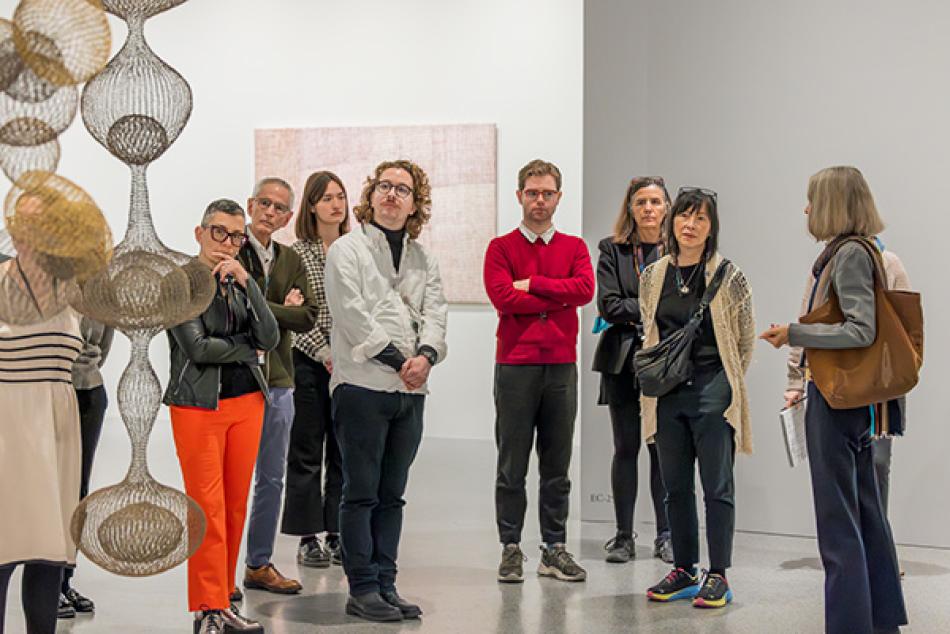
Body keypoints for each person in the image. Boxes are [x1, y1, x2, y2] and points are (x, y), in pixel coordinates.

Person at [760, 166, 907, 634]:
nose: (806, 209)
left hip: (837, 403)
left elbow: (860, 329)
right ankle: (880, 621)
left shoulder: (846, 255)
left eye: (811, 199)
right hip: (857, 407)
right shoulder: (862, 252)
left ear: (831, 204)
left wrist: (794, 334)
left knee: (839, 525)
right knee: (866, 517)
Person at [325, 160, 447, 622]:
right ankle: (362, 588)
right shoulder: (347, 249)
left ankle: (387, 584)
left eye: (404, 189)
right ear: (371, 195)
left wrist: (427, 357)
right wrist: (402, 362)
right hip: (362, 388)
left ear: (416, 204)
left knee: (393, 494)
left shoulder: (423, 258)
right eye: (385, 186)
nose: (393, 195)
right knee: (361, 492)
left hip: (410, 395)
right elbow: (352, 315)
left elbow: (436, 313)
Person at [163, 199, 279, 634]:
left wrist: (249, 285)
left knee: (233, 508)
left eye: (236, 236)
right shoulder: (180, 282)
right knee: (207, 509)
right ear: (199, 232)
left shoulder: (235, 279)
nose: (227, 243)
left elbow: (271, 333)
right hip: (198, 407)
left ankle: (224, 598)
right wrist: (248, 350)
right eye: (219, 232)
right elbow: (197, 348)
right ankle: (208, 607)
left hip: (247, 403)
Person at [639, 188, 755, 609]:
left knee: (717, 486)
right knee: (674, 487)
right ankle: (685, 569)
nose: (690, 225)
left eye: (700, 219)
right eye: (684, 217)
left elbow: (742, 339)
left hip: (713, 391)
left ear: (712, 227)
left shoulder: (729, 275)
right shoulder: (654, 275)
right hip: (668, 394)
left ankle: (718, 574)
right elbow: (650, 329)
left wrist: (727, 384)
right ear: (672, 222)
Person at [0, 190, 110, 634]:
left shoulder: (75, 288)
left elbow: (97, 346)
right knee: (4, 547)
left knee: (49, 552)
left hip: (58, 425)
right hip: (8, 428)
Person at [483, 159, 595, 584]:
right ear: (519, 196)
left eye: (547, 193)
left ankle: (554, 547)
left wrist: (533, 285)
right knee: (512, 463)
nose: (539, 200)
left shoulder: (575, 247)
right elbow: (502, 298)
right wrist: (555, 296)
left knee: (557, 463)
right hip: (515, 366)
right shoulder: (500, 248)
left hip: (561, 367)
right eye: (532, 192)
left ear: (559, 197)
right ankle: (511, 546)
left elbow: (584, 291)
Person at [784, 237, 912, 518]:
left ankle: (876, 550)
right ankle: (853, 548)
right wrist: (795, 380)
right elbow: (807, 318)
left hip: (878, 385)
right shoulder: (824, 265)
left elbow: (905, 329)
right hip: (836, 381)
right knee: (839, 466)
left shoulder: (889, 263)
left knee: (876, 465)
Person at [237, 178, 318, 598]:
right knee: (229, 480)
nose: (270, 211)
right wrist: (277, 309)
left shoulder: (290, 259)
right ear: (251, 204)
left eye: (279, 207)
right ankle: (217, 573)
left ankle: (258, 563)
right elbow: (231, 308)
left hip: (280, 380)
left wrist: (263, 310)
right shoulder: (232, 246)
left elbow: (307, 316)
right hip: (235, 379)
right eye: (264, 203)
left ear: (288, 217)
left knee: (271, 477)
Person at [592, 176, 673, 564]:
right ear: (630, 208)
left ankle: (666, 535)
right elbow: (608, 306)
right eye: (641, 202)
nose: (648, 209)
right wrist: (655, 307)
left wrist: (638, 306)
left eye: (655, 201)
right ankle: (624, 536)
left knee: (661, 450)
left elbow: (684, 307)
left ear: (667, 208)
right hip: (622, 360)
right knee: (626, 447)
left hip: (666, 361)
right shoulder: (612, 250)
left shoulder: (678, 249)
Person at [281, 171, 349, 568]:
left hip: (351, 363)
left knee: (343, 452)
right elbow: (297, 312)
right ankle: (308, 537)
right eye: (326, 198)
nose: (335, 204)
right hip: (308, 362)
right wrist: (324, 351)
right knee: (307, 450)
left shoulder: (355, 249)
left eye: (340, 196)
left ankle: (338, 531)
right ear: (311, 205)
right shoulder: (297, 253)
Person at [58, 316, 114, 618]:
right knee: (53, 490)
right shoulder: (48, 278)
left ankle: (65, 579)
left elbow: (104, 343)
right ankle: (48, 581)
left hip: (90, 390)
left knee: (79, 490)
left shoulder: (100, 282)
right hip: (52, 390)